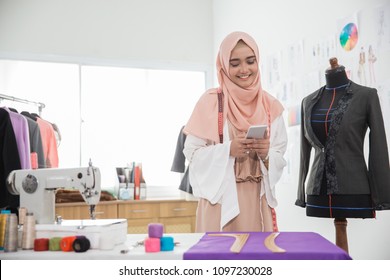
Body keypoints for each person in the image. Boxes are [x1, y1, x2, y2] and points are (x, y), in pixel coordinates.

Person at [183, 31, 287, 232]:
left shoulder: (270, 106)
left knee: (258, 260)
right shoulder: (211, 102)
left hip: (258, 202)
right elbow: (192, 154)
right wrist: (228, 150)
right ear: (223, 65)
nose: (244, 69)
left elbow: (279, 155)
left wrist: (266, 154)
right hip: (219, 204)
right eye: (234, 63)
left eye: (250, 61)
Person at [296, 57, 390, 252]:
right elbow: (305, 152)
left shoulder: (366, 96)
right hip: (317, 190)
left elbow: (378, 144)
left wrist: (382, 196)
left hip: (354, 188)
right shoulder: (308, 102)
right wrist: (301, 192)